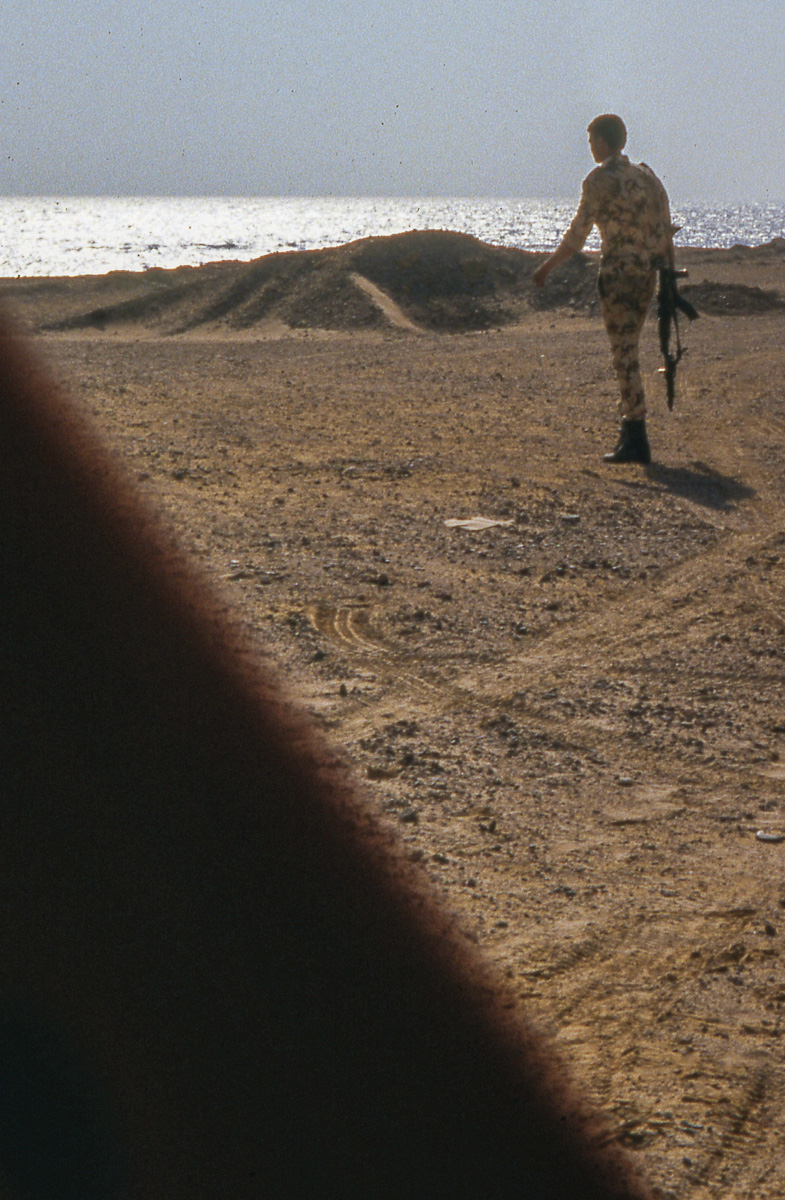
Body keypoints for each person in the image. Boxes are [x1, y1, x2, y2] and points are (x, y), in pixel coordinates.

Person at [533, 114, 677, 464]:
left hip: (617, 277)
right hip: (646, 275)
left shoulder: (598, 181)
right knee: (629, 347)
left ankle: (635, 435)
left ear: (602, 141)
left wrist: (546, 268)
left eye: (591, 140)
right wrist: (667, 275)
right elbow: (664, 228)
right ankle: (630, 430)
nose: (590, 147)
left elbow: (577, 236)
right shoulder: (647, 177)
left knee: (623, 352)